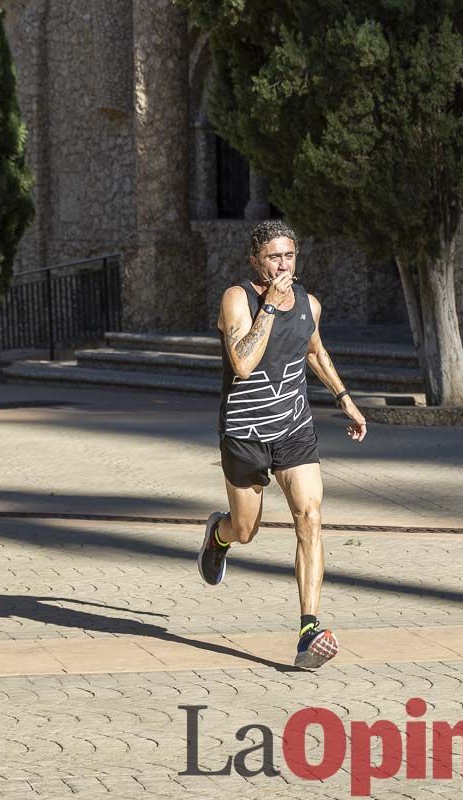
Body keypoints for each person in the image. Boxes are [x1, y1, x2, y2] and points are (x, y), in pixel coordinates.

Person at [198, 220, 367, 669]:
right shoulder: (238, 299)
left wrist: (344, 399)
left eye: (289, 256)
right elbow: (244, 364)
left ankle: (308, 630)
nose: (283, 265)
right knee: (246, 529)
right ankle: (219, 535)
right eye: (274, 257)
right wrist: (268, 308)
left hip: (294, 430)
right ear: (256, 259)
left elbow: (314, 351)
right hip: (245, 433)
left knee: (310, 517)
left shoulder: (310, 304)